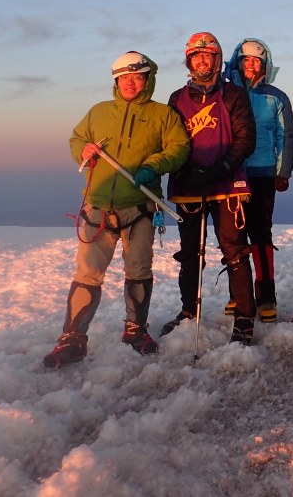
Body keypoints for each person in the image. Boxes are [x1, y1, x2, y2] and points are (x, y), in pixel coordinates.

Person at [43, 51, 190, 368]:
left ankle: (136, 330)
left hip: (140, 208)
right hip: (98, 208)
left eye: (137, 77)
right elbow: (78, 138)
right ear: (116, 80)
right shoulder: (99, 112)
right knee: (87, 275)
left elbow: (179, 148)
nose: (130, 83)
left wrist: (154, 165)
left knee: (139, 271)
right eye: (124, 78)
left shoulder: (162, 115)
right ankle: (72, 339)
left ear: (148, 80)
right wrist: (83, 150)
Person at [161, 32, 258, 345]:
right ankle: (189, 310)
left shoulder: (233, 95)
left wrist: (220, 169)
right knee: (190, 253)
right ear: (189, 61)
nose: (202, 61)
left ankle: (244, 317)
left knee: (235, 251)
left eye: (208, 55)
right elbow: (170, 140)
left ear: (217, 59)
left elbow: (245, 138)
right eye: (196, 56)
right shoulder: (177, 98)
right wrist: (185, 170)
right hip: (188, 184)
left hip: (228, 184)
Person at [226, 38, 293, 324]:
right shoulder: (226, 93)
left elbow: (286, 135)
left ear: (265, 65)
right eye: (247, 60)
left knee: (261, 235)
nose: (252, 65)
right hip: (231, 174)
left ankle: (267, 295)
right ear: (238, 62)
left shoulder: (276, 97)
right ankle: (238, 294)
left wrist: (283, 172)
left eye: (257, 60)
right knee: (233, 237)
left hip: (264, 173)